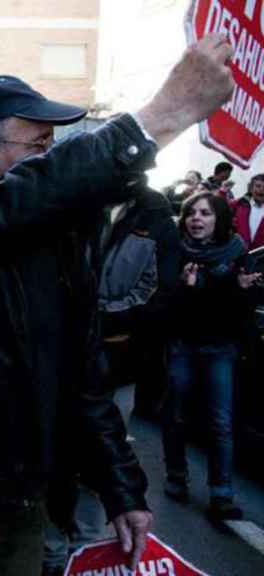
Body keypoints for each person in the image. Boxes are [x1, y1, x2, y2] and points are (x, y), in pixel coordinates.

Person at [0, 34, 235, 575]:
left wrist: (121, 487)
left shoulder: (56, 234)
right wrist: (160, 117)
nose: (50, 159)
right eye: (37, 147)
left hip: (23, 505)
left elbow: (81, 373)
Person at [43, 178, 182, 576]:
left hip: (116, 364)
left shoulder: (155, 214)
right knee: (52, 457)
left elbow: (157, 294)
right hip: (57, 361)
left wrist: (97, 318)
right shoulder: (70, 204)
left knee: (99, 456)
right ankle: (52, 551)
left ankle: (83, 552)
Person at [161, 192, 262, 523]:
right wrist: (187, 289)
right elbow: (168, 305)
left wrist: (243, 290)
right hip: (184, 345)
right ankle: (177, 477)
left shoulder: (237, 254)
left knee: (220, 422)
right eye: (191, 213)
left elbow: (240, 311)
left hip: (221, 348)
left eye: (204, 213)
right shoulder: (176, 252)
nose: (196, 219)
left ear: (218, 218)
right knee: (175, 414)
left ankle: (222, 493)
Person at [232, 174, 264, 251]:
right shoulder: (240, 204)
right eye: (258, 186)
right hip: (238, 253)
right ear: (251, 188)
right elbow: (220, 210)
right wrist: (222, 192)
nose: (262, 189)